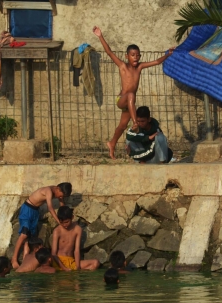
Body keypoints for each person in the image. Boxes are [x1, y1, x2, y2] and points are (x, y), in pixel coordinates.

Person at [93, 26, 174, 159]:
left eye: (137, 55)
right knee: (131, 95)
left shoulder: (140, 66)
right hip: (122, 100)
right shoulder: (122, 66)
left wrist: (168, 54)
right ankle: (135, 123)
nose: (135, 58)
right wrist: (100, 36)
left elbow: (157, 61)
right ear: (127, 56)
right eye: (132, 55)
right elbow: (109, 52)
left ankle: (112, 143)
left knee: (122, 125)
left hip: (129, 104)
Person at [11, 182, 73, 269]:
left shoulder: (58, 191)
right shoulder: (48, 191)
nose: (60, 197)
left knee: (30, 238)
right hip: (27, 209)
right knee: (24, 234)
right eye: (61, 195)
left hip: (35, 211)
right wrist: (59, 222)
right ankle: (14, 259)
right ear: (58, 189)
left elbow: (62, 206)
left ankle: (25, 261)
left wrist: (65, 216)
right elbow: (50, 208)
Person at [51, 206, 100, 271]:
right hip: (59, 262)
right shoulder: (57, 231)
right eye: (62, 223)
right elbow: (53, 254)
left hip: (71, 261)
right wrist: (64, 268)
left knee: (95, 263)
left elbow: (76, 250)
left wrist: (78, 267)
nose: (64, 225)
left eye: (66, 222)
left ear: (72, 217)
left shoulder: (77, 229)